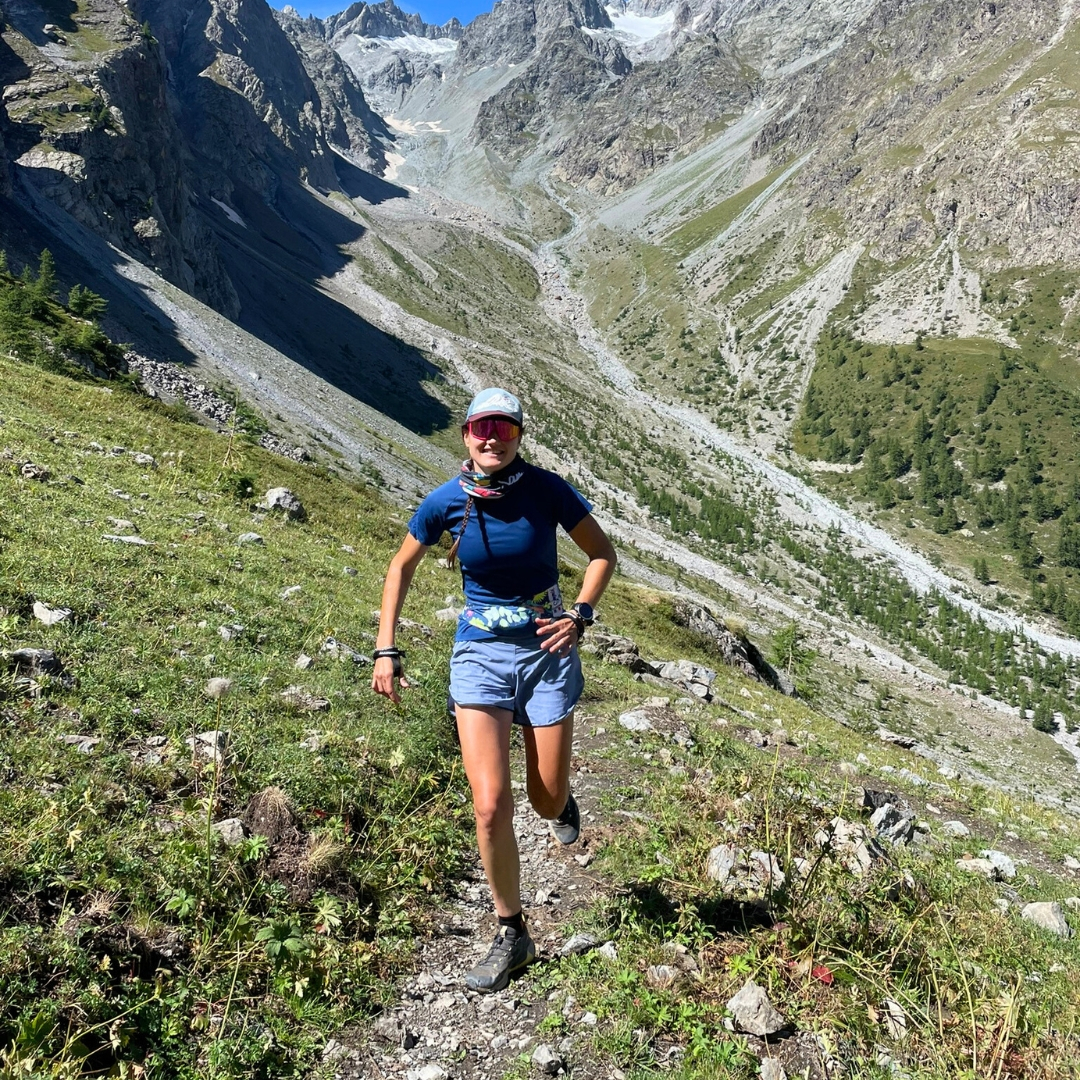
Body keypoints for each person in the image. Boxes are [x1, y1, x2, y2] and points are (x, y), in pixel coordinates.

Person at [371, 387, 617, 993]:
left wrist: (580, 614)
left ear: (518, 436)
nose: (491, 439)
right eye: (481, 427)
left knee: (544, 798)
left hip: (546, 649)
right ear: (465, 434)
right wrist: (386, 646)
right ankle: (513, 931)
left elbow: (601, 554)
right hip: (478, 653)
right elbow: (400, 566)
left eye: (504, 429)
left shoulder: (546, 488)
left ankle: (561, 804)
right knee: (489, 805)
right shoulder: (446, 502)